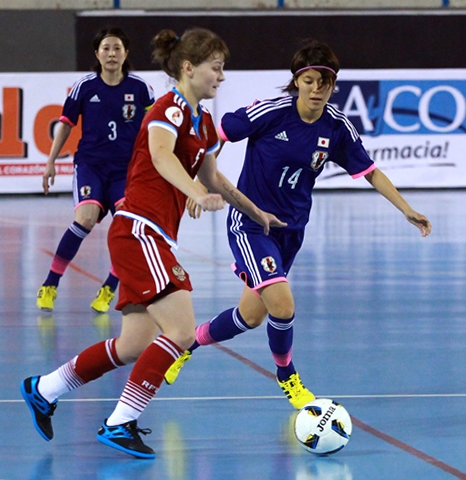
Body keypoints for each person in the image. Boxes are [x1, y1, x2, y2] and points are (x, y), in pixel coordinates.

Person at [21, 27, 285, 459]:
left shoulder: (203, 122)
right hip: (139, 228)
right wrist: (197, 195)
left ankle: (44, 388)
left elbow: (214, 178)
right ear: (188, 67)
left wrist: (257, 214)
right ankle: (120, 422)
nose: (221, 77)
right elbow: (161, 156)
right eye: (215, 68)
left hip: (151, 234)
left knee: (133, 346)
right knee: (181, 332)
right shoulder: (170, 108)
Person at [164, 40, 432, 410]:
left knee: (251, 317)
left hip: (291, 231)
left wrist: (406, 209)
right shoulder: (272, 112)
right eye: (309, 80)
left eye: (325, 82)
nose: (317, 89)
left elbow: (368, 171)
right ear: (297, 81)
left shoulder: (337, 127)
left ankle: (188, 343)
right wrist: (199, 183)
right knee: (284, 305)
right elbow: (218, 134)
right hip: (251, 223)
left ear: (333, 85)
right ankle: (288, 376)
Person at [36, 27, 155, 314]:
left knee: (129, 229)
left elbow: (154, 129)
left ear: (125, 54)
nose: (111, 54)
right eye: (106, 48)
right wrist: (51, 161)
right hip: (90, 165)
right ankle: (50, 284)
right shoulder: (84, 86)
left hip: (125, 171)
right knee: (85, 220)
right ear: (97, 54)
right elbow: (66, 123)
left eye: (117, 48)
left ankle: (108, 289)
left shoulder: (141, 88)